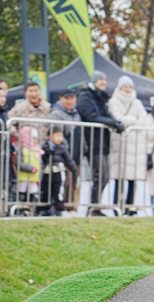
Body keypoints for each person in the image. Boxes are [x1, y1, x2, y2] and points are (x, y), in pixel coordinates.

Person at [77, 70, 125, 215]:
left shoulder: (102, 98)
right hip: (92, 142)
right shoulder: (86, 96)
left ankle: (95, 207)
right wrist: (113, 123)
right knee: (100, 176)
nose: (104, 82)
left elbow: (102, 115)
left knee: (103, 177)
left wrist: (114, 123)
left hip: (102, 143)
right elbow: (91, 115)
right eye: (100, 80)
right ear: (94, 81)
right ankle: (93, 208)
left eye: (105, 79)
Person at [108, 75, 148, 215]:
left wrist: (130, 122)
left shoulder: (137, 102)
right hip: (120, 143)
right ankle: (117, 205)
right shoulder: (113, 101)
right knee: (120, 176)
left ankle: (130, 206)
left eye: (130, 86)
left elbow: (144, 120)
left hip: (135, 144)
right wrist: (133, 119)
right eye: (125, 86)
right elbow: (118, 118)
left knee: (133, 178)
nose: (128, 89)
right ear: (120, 87)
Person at [39, 126, 77, 216]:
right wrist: (48, 151)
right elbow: (42, 159)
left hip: (59, 172)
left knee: (59, 191)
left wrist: (74, 169)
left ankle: (59, 209)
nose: (60, 138)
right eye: (57, 136)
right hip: (47, 173)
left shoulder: (63, 148)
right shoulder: (45, 147)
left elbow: (69, 160)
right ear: (49, 136)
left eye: (61, 136)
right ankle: (44, 209)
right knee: (46, 191)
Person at [17, 126, 43, 203]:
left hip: (34, 178)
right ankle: (20, 208)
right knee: (22, 193)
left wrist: (40, 176)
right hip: (24, 177)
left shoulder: (38, 150)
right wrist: (30, 168)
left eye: (36, 139)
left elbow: (41, 164)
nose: (35, 141)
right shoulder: (22, 149)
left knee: (34, 194)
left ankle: (31, 209)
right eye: (33, 138)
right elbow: (18, 162)